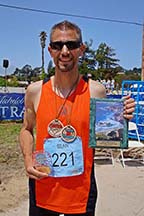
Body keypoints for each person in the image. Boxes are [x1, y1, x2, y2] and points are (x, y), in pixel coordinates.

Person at [19, 20, 135, 216]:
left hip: (81, 194)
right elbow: (26, 129)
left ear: (81, 49)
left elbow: (107, 136)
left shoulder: (96, 91)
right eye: (57, 45)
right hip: (43, 188)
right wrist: (28, 159)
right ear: (50, 50)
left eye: (71, 45)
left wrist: (121, 118)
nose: (64, 51)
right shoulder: (35, 91)